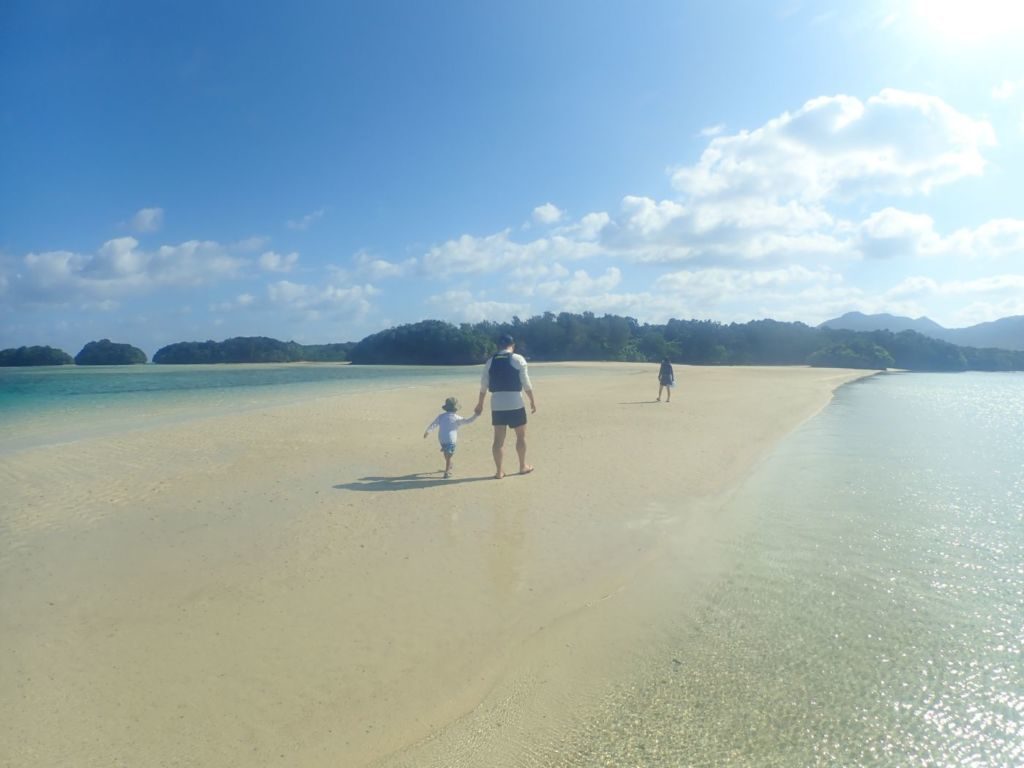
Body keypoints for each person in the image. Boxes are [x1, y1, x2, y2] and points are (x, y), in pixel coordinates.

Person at [474, 334, 536, 479]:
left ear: (498, 346)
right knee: (520, 436)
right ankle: (522, 466)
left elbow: (484, 385)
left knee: (498, 440)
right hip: (515, 403)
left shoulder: (490, 362)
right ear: (512, 345)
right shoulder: (518, 359)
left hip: (497, 404)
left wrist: (480, 403)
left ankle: (499, 471)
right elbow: (526, 383)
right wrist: (532, 400)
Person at [423, 396, 478, 478]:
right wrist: (476, 415)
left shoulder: (441, 416)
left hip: (441, 439)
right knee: (449, 456)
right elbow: (468, 421)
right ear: (456, 409)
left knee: (446, 454)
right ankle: (447, 472)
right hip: (451, 440)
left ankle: (449, 465)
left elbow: (433, 424)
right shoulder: (456, 418)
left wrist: (428, 431)